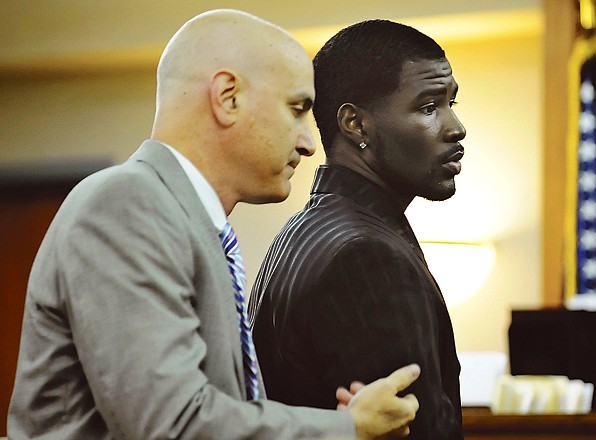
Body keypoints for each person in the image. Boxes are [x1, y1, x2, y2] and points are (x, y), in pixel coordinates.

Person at [7, 10, 421, 440]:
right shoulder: (127, 203)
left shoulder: (189, 222)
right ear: (228, 97)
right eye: (296, 109)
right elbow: (173, 424)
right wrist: (347, 429)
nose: (308, 142)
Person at [249, 19, 466, 439]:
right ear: (356, 124)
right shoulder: (367, 257)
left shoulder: (306, 228)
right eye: (428, 107)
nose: (455, 127)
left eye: (451, 103)